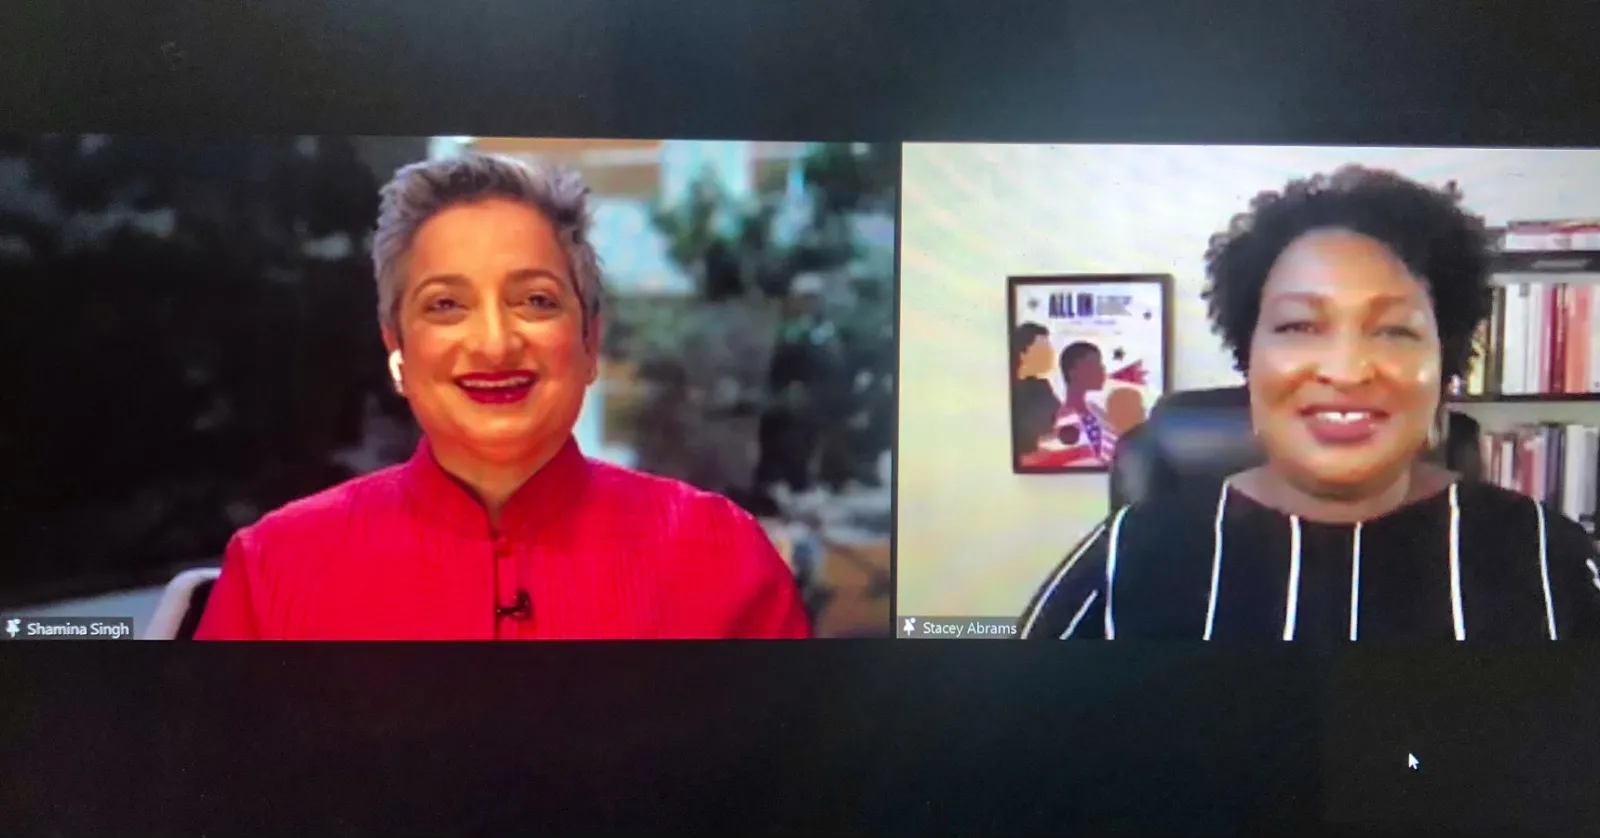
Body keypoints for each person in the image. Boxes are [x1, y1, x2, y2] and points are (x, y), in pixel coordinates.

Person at [196, 153, 811, 640]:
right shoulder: (273, 571)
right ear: (399, 350)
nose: (494, 344)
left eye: (536, 300)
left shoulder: (722, 558)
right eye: (446, 305)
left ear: (590, 342)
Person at [1020, 165, 1600, 642]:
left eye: (1395, 331)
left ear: (1444, 366)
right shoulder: (1129, 556)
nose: (1345, 371)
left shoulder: (1547, 556)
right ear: (1250, 357)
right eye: (1299, 326)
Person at [1011, 322, 1061, 458]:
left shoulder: (1041, 386)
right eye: (1044, 348)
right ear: (1022, 353)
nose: (1051, 353)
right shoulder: (1013, 393)